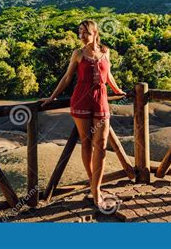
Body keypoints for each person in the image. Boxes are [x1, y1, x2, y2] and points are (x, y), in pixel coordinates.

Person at [40, 19, 126, 209]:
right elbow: (68, 77)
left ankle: (95, 186)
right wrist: (52, 97)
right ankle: (95, 190)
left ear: (95, 33)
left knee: (101, 146)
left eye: (85, 32)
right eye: (79, 32)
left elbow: (108, 74)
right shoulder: (78, 54)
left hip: (101, 99)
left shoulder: (105, 51)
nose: (81, 36)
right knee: (86, 143)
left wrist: (117, 90)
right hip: (81, 99)